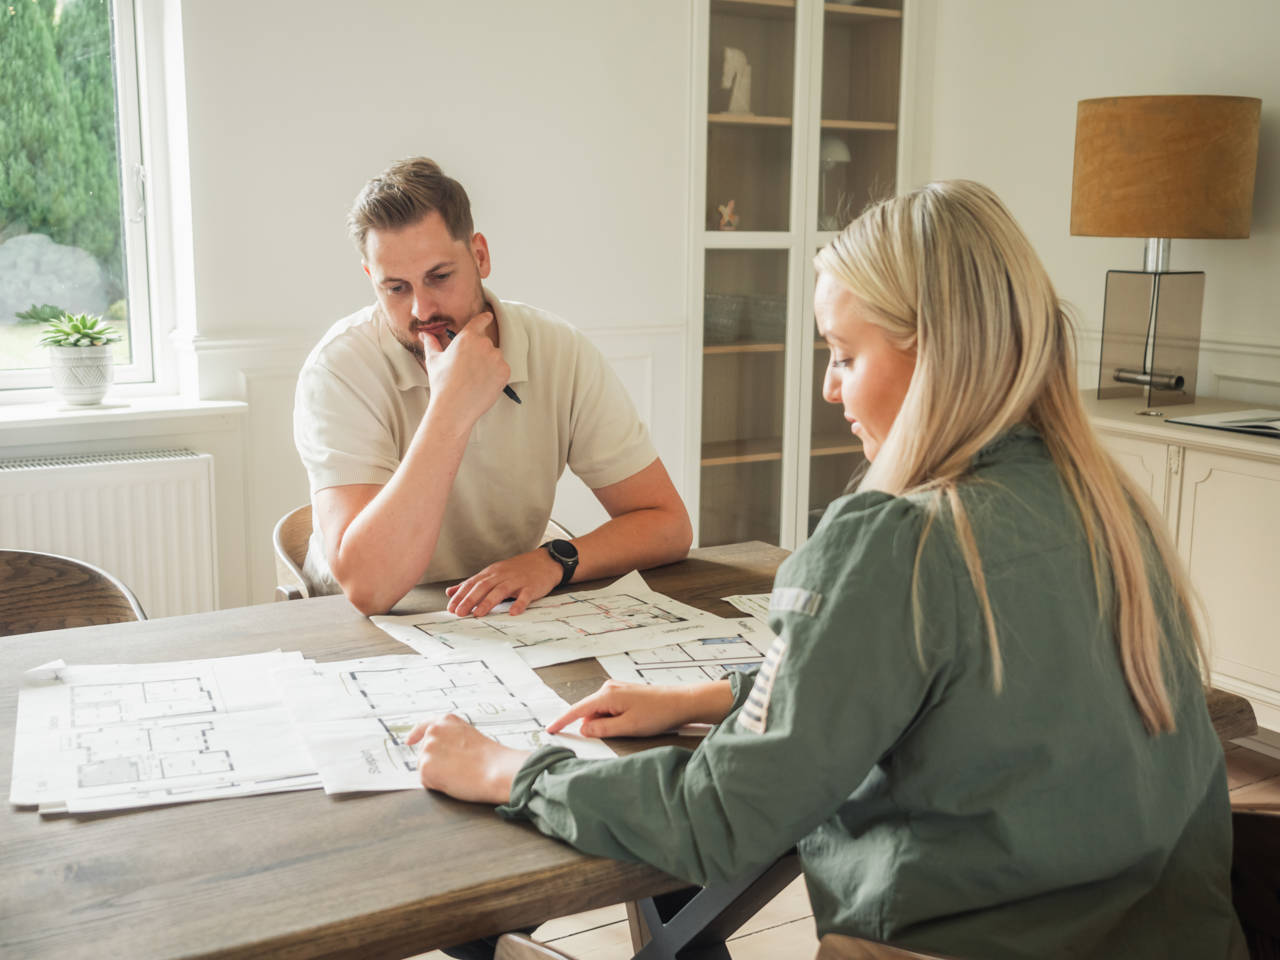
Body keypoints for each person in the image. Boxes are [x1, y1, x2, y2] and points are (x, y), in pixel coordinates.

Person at [408, 180, 1246, 958]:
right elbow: (960, 689)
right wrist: (716, 696)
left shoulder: (893, 540)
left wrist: (509, 771)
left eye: (845, 354)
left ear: (935, 356)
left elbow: (719, 820)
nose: (829, 389)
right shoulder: (1107, 503)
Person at [293, 158, 692, 616]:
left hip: (499, 612)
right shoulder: (338, 368)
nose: (422, 309)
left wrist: (554, 560)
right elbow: (369, 589)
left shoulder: (558, 348)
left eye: (440, 277)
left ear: (479, 256)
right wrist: (450, 408)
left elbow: (668, 525)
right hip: (356, 620)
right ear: (371, 280)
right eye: (396, 288)